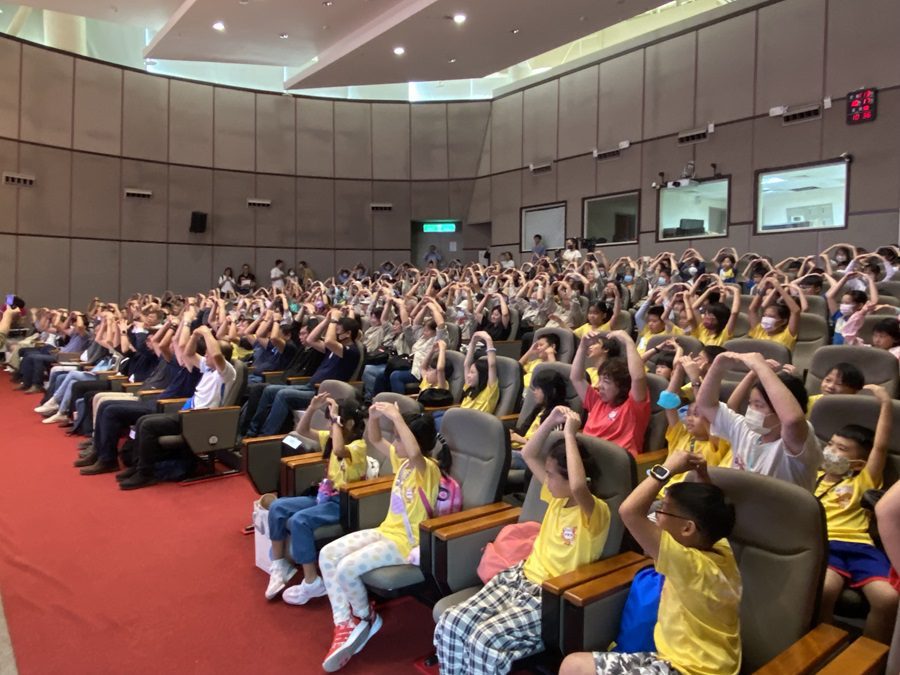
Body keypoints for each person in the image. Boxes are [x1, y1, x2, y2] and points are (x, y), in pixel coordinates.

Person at [434, 406, 609, 675]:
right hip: (519, 577)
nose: (545, 479)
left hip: (548, 595)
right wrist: (551, 421)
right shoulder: (557, 497)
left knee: (484, 639)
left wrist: (570, 436)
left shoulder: (594, 512)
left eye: (551, 475)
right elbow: (528, 454)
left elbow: (577, 486)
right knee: (451, 621)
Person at [560, 451, 741, 675]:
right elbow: (707, 514)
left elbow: (629, 511)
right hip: (704, 663)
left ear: (687, 529)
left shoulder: (689, 564)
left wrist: (667, 468)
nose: (657, 515)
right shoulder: (720, 548)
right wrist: (702, 476)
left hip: (687, 669)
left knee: (573, 666)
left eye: (663, 510)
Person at [317, 404, 446, 672]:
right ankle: (345, 622)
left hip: (405, 545)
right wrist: (373, 418)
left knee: (346, 568)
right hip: (385, 531)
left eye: (398, 438)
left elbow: (413, 451)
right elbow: (374, 439)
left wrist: (397, 417)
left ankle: (365, 617)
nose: (395, 443)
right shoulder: (403, 464)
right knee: (328, 555)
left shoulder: (428, 469)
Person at [264, 395, 368, 603]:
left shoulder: (358, 446)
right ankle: (279, 563)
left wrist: (335, 421)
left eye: (335, 421)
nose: (330, 425)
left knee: (298, 521)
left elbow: (339, 450)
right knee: (277, 507)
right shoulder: (332, 437)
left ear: (348, 423)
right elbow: (301, 432)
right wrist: (311, 408)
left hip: (344, 503)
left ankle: (312, 582)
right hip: (324, 496)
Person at [817, 384, 898, 644]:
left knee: (888, 598)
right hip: (826, 544)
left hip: (861, 546)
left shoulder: (864, 478)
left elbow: (881, 446)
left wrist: (886, 403)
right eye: (830, 444)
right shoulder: (811, 477)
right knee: (826, 590)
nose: (831, 451)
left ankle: (869, 658)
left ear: (858, 463)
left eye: (841, 449)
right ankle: (819, 649)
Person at [117, 324, 236, 489]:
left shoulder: (227, 374)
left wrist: (207, 333)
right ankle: (139, 467)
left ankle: (146, 474)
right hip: (187, 414)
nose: (206, 355)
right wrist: (194, 336)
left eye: (208, 354)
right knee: (143, 420)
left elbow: (215, 353)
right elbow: (188, 353)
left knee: (148, 426)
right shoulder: (208, 368)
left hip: (199, 420)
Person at [695, 351, 822, 491]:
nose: (751, 410)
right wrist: (718, 365)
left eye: (759, 405)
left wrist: (760, 366)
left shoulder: (799, 439)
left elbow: (792, 420)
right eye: (750, 404)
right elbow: (707, 405)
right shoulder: (744, 429)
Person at [571, 330, 650, 457]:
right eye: (600, 379)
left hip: (614, 464)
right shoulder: (597, 401)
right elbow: (576, 378)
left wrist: (628, 342)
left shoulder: (633, 408)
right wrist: (582, 346)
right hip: (588, 457)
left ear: (623, 385)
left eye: (606, 381)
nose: (599, 385)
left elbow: (638, 377)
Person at [510, 370, 568, 467]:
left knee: (500, 456)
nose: (534, 392)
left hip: (534, 457)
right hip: (519, 449)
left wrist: (522, 440)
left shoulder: (559, 414)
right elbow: (523, 430)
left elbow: (549, 446)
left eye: (538, 388)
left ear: (551, 391)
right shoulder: (539, 408)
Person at [747, 277, 801, 350]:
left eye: (771, 316)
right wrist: (764, 288)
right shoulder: (759, 331)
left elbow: (795, 311)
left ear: (783, 321)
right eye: (765, 315)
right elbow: (752, 309)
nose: (766, 319)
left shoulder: (787, 335)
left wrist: (778, 287)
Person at [458, 331, 499, 413]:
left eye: (472, 372)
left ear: (482, 375)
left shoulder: (489, 391)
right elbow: (466, 364)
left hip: (474, 423)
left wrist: (488, 339)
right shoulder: (469, 388)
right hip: (460, 419)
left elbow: (492, 365)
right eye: (469, 372)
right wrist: (473, 342)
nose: (468, 375)